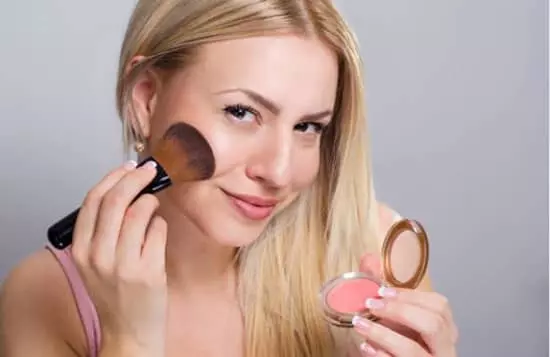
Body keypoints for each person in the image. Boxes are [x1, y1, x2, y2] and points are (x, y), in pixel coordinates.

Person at [0, 1, 459, 356]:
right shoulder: (44, 297)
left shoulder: (372, 253)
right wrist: (131, 339)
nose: (278, 172)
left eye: (308, 127)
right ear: (146, 100)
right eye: (241, 112)